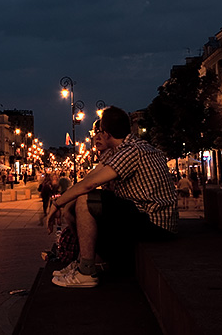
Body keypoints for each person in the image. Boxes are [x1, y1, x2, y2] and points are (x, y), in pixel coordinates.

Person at [47, 105, 177, 289]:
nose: (97, 136)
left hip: (156, 222)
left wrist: (57, 203)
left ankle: (86, 272)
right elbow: (90, 179)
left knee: (86, 201)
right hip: (143, 215)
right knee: (80, 200)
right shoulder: (119, 151)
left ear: (107, 133)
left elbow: (89, 185)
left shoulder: (131, 151)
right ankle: (85, 262)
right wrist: (67, 204)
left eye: (99, 131)